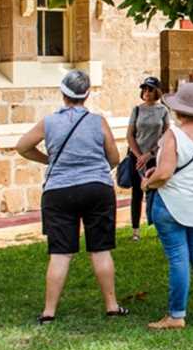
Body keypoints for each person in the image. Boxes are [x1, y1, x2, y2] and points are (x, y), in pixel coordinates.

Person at [16, 70, 128, 324]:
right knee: (100, 250)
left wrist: (49, 160)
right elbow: (114, 158)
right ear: (86, 95)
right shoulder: (98, 121)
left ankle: (49, 311)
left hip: (58, 190)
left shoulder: (49, 122)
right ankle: (111, 305)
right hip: (96, 188)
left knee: (60, 253)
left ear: (63, 93)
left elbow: (23, 146)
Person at [141, 82, 193, 329]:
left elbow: (164, 173)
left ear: (178, 109)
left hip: (173, 202)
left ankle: (176, 315)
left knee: (178, 258)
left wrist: (147, 183)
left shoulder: (173, 135)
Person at [126, 76, 170, 243]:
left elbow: (166, 135)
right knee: (136, 194)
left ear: (157, 91)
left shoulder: (163, 111)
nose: (146, 92)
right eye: (144, 89)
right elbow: (130, 135)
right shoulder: (137, 110)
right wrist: (139, 156)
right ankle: (136, 231)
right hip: (136, 158)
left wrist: (149, 154)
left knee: (157, 193)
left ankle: (159, 228)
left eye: (150, 89)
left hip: (154, 157)